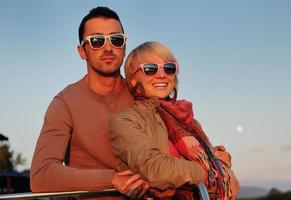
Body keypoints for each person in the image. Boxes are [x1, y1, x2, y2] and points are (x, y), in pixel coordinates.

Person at [30, 7, 149, 199]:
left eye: (116, 39)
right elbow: (41, 175)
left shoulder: (143, 95)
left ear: (124, 47)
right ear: (82, 51)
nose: (108, 48)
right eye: (96, 41)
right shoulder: (65, 103)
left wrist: (211, 154)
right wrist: (111, 180)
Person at [109, 41, 239, 199]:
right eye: (150, 69)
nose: (162, 75)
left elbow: (225, 176)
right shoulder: (125, 121)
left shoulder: (188, 120)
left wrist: (218, 161)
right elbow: (156, 169)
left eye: (169, 68)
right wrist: (214, 169)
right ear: (133, 80)